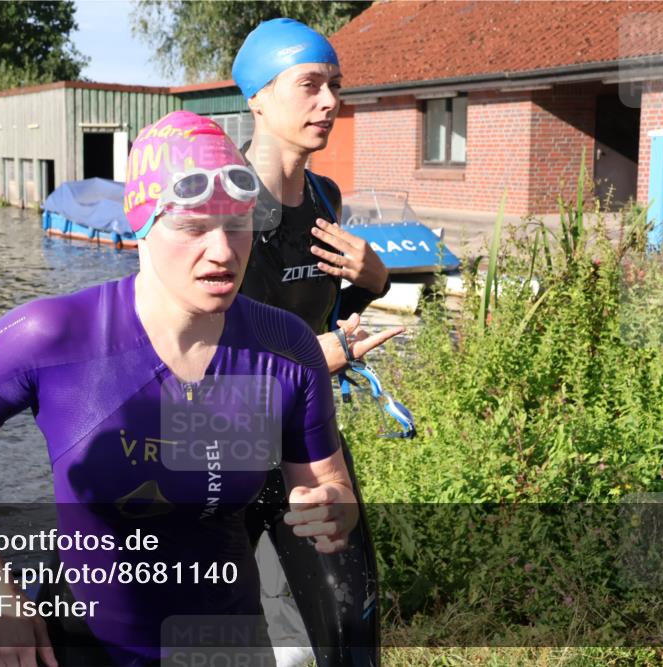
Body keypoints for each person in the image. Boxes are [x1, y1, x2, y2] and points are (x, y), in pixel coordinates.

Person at [0, 111, 360, 666]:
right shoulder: (51, 336)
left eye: (237, 223)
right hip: (83, 646)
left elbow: (328, 485)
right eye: (194, 226)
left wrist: (333, 510)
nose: (223, 251)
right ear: (140, 225)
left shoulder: (286, 348)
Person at [233, 17, 405, 667]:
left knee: (350, 623)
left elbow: (333, 308)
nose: (331, 102)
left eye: (335, 85)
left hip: (307, 440)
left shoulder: (327, 198)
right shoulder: (224, 203)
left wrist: (374, 276)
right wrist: (309, 358)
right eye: (310, 85)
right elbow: (180, 348)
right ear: (258, 96)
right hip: (223, 444)